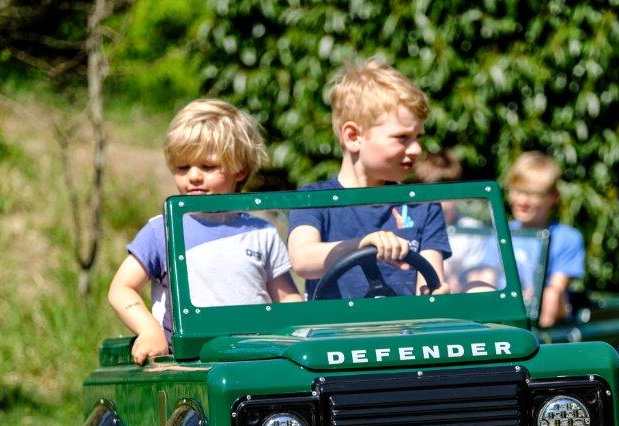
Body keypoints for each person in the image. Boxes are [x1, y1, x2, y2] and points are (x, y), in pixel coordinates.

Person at [108, 98, 301, 364]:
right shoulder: (163, 231)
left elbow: (287, 299)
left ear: (240, 170)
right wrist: (150, 330)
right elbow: (122, 288)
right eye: (182, 167)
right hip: (188, 365)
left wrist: (299, 335)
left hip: (258, 360)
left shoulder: (262, 232)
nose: (194, 176)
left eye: (207, 166)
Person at [287, 59, 451, 299]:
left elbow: (431, 280)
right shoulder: (314, 200)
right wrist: (363, 244)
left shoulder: (423, 206)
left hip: (405, 332)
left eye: (418, 136)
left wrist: (437, 294)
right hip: (333, 334)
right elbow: (302, 260)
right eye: (402, 137)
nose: (416, 149)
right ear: (353, 136)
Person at [506, 151, 585, 327]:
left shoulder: (567, 238)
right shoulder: (500, 233)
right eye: (518, 191)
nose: (523, 200)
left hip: (545, 312)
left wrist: (531, 296)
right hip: (506, 305)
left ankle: (540, 343)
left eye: (534, 194)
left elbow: (558, 287)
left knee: (551, 295)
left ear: (553, 197)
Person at [413, 150, 502, 292]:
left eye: (448, 193)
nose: (442, 202)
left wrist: (460, 282)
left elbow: (476, 272)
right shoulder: (411, 227)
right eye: (434, 195)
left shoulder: (471, 228)